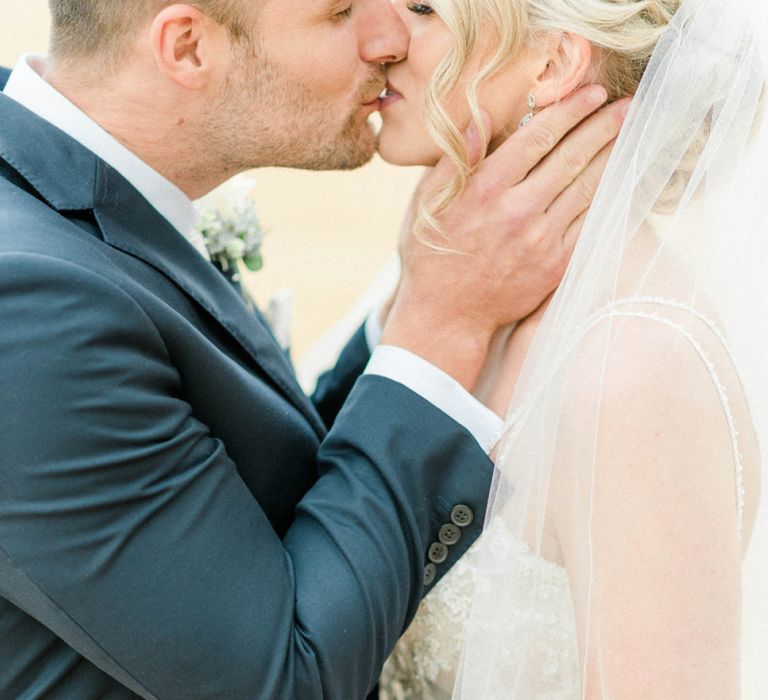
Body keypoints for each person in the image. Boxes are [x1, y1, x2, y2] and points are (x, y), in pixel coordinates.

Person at [0, 1, 625, 698]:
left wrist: (404, 309)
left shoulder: (68, 200)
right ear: (188, 48)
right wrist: (441, 324)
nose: (389, 38)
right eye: (341, 11)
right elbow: (285, 682)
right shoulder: (29, 305)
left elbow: (255, 493)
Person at [377, 0, 767, 696]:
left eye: (424, 8)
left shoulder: (635, 366)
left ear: (553, 64)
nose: (382, 37)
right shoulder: (437, 288)